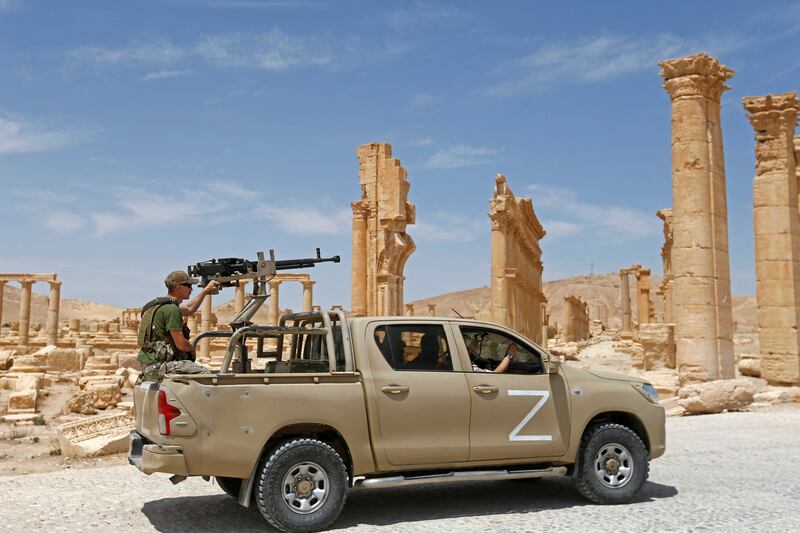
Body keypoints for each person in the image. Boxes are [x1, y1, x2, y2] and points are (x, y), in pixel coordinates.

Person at [137, 270, 220, 380]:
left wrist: (205, 291)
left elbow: (189, 308)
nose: (191, 289)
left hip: (149, 364)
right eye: (189, 285)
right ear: (178, 287)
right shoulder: (172, 310)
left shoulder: (160, 306)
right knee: (206, 375)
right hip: (158, 366)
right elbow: (180, 343)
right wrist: (192, 349)